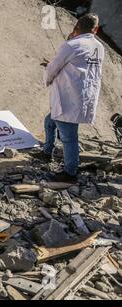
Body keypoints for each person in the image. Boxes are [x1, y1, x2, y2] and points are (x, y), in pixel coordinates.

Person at [37, 13, 105, 183]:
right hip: (82, 96)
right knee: (50, 121)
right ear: (95, 29)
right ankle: (47, 152)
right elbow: (79, 66)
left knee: (69, 137)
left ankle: (70, 173)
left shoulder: (70, 45)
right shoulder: (99, 47)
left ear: (76, 27)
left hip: (68, 97)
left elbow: (53, 69)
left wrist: (47, 74)